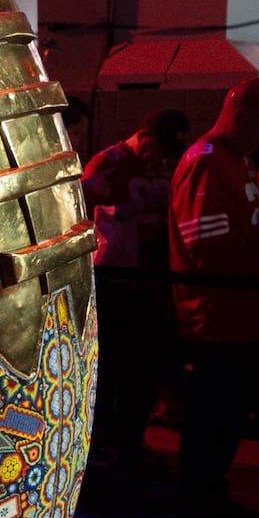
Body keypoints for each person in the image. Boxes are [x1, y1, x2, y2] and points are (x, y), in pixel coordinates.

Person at [169, 77, 259, 518]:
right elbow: (205, 246)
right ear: (243, 117)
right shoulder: (209, 163)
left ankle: (208, 498)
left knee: (225, 414)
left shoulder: (233, 158)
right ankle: (199, 503)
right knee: (215, 415)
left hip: (237, 315)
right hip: (217, 315)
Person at [81, 108, 187, 458]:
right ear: (145, 135)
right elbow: (87, 215)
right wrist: (143, 206)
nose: (158, 157)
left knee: (146, 360)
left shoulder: (169, 165)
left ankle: (131, 436)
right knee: (111, 360)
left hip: (155, 275)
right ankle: (100, 439)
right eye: (157, 146)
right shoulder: (109, 161)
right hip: (117, 276)